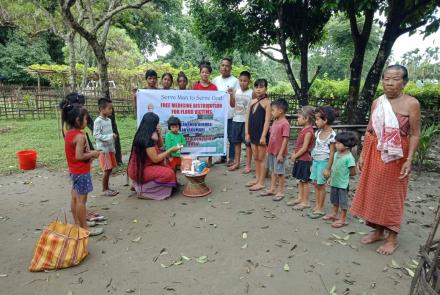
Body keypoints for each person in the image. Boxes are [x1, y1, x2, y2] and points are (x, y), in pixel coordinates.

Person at [350, 65, 421, 255]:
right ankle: (378, 231)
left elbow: (415, 134)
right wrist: (363, 154)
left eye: (395, 79)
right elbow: (369, 128)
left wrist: (410, 159)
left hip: (397, 155)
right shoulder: (377, 102)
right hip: (375, 151)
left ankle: (392, 238)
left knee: (392, 195)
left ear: (404, 82)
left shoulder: (411, 104)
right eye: (386, 78)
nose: (389, 83)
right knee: (374, 191)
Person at [59, 100, 103, 236]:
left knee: (75, 197)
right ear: (78, 120)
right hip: (81, 171)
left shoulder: (69, 133)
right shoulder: (80, 136)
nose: (87, 120)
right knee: (81, 201)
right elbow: (79, 156)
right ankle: (85, 229)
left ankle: (78, 224)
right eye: (85, 118)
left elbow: (74, 154)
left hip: (73, 171)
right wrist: (94, 153)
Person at [127, 112, 180, 200]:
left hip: (146, 166)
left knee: (168, 166)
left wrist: (159, 134)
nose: (159, 125)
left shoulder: (149, 133)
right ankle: (142, 190)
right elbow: (155, 159)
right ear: (152, 124)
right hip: (139, 169)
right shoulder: (146, 139)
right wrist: (170, 150)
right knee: (169, 174)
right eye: (157, 123)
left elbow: (160, 145)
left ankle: (139, 184)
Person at [324, 131, 357, 228]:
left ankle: (342, 218)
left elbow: (353, 172)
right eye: (336, 142)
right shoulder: (336, 154)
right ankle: (334, 214)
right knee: (334, 199)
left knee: (343, 201)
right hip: (335, 181)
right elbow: (334, 166)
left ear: (346, 146)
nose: (336, 145)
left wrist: (344, 174)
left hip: (343, 184)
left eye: (338, 143)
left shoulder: (349, 158)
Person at [308, 106, 336, 218]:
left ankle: (320, 207)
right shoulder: (318, 132)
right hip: (315, 161)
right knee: (315, 183)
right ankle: (317, 205)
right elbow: (316, 147)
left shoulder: (332, 135)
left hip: (324, 162)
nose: (316, 121)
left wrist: (328, 168)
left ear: (325, 120)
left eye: (317, 119)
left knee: (321, 185)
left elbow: (332, 153)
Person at [259, 99, 290, 201]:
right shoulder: (276, 121)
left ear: (280, 111)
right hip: (271, 151)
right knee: (273, 171)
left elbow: (285, 139)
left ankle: (281, 191)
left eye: (273, 110)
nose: (271, 112)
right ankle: (272, 189)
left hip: (279, 153)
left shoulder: (285, 123)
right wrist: (268, 150)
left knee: (280, 173)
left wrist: (281, 154)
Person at [245, 79, 271, 191]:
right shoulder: (252, 102)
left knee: (262, 158)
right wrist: (247, 133)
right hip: (252, 133)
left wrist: (264, 135)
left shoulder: (268, 103)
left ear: (266, 89)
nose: (259, 89)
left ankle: (261, 182)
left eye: (261, 87)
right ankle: (257, 179)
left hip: (261, 134)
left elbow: (267, 121)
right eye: (256, 87)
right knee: (255, 157)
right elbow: (247, 119)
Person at [213, 57, 239, 165]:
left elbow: (238, 97)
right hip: (219, 114)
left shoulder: (235, 81)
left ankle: (232, 158)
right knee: (220, 136)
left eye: (227, 66)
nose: (225, 68)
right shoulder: (215, 80)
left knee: (231, 137)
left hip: (231, 113)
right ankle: (222, 157)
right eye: (223, 65)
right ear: (220, 67)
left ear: (230, 68)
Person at [287, 106, 315, 209]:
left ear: (306, 118)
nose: (297, 119)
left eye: (299, 117)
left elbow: (304, 148)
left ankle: (305, 202)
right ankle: (300, 198)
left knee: (304, 181)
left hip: (304, 159)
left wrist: (295, 155)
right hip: (300, 159)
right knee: (300, 180)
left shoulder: (308, 131)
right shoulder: (304, 129)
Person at [192, 63, 217, 167]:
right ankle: (197, 157)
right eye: (203, 72)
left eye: (207, 72)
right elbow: (192, 99)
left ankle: (210, 159)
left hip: (209, 114)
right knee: (199, 136)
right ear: (200, 73)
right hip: (199, 115)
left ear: (210, 74)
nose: (205, 74)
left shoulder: (213, 87)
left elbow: (217, 101)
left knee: (209, 135)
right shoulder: (196, 86)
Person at [228, 71, 253, 172]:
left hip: (247, 122)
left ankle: (248, 165)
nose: (243, 83)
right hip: (236, 120)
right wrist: (230, 95)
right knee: (236, 143)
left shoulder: (252, 92)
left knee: (248, 144)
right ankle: (237, 163)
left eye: (245, 81)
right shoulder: (236, 91)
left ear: (249, 81)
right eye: (241, 80)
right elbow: (233, 105)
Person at [93, 98, 118, 197]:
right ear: (102, 109)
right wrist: (109, 137)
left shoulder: (108, 120)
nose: (111, 110)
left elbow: (109, 133)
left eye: (111, 108)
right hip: (103, 150)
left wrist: (112, 138)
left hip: (110, 148)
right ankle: (104, 189)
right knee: (106, 169)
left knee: (110, 168)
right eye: (109, 108)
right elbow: (96, 135)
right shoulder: (97, 121)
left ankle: (107, 187)